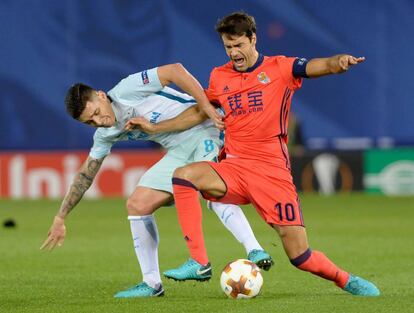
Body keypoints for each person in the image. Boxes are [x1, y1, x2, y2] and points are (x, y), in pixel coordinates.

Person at [159, 12, 380, 296]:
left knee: (300, 257)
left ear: (253, 38)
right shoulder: (219, 76)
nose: (234, 53)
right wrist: (156, 127)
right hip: (234, 168)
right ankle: (199, 261)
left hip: (271, 172)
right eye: (228, 47)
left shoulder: (280, 68)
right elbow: (200, 110)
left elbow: (317, 65)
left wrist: (338, 63)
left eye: (238, 45)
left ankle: (345, 279)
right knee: (184, 177)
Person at [40, 63, 274, 298]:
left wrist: (205, 105)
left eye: (97, 113)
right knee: (137, 204)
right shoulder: (105, 133)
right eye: (90, 122)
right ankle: (152, 284)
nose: (100, 122)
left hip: (207, 129)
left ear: (101, 96)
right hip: (178, 151)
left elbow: (174, 70)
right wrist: (61, 217)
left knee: (210, 189)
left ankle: (253, 249)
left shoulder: (127, 89)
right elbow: (85, 175)